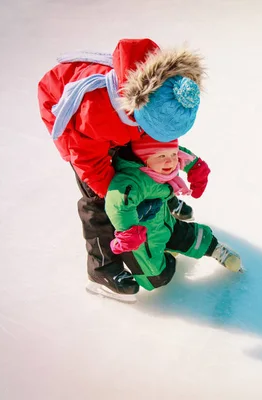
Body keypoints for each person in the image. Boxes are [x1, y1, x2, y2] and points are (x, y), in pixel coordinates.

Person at [37, 38, 204, 299]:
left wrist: (173, 174)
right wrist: (121, 203)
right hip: (76, 126)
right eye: (157, 131)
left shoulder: (167, 91)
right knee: (99, 198)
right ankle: (101, 268)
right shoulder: (98, 112)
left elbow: (158, 147)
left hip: (123, 121)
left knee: (143, 159)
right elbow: (89, 163)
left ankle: (162, 201)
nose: (164, 140)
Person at [94, 134, 242, 298]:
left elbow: (181, 154)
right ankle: (167, 255)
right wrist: (129, 233)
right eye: (162, 156)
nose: (170, 161)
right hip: (144, 241)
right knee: (156, 278)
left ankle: (215, 248)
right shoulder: (132, 181)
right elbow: (118, 205)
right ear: (144, 158)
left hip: (166, 223)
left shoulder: (159, 168)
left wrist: (196, 167)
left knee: (189, 236)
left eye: (172, 155)